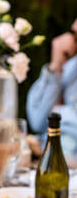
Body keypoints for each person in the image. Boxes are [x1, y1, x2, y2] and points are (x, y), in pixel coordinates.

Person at [27, 19, 77, 158]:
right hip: (48, 159)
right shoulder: (71, 66)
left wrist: (57, 110)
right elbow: (37, 121)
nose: (73, 25)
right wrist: (56, 65)